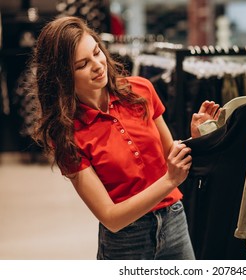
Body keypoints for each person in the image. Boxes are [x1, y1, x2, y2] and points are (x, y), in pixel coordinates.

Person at [29, 15, 221, 260]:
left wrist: (196, 138)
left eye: (97, 52)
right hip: (126, 242)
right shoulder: (67, 134)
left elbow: (169, 155)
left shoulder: (141, 90)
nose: (98, 65)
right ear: (62, 76)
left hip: (174, 222)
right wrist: (169, 181)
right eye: (82, 65)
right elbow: (111, 217)